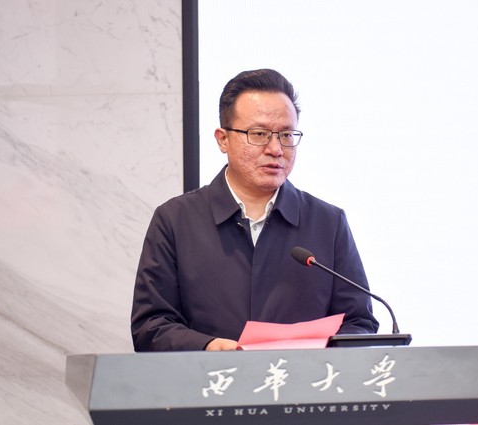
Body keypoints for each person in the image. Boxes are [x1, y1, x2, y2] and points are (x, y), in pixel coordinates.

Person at [131, 68, 379, 351]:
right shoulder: (175, 221)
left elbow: (359, 322)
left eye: (286, 135)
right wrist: (207, 347)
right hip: (209, 377)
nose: (276, 149)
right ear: (223, 139)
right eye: (259, 134)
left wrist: (315, 356)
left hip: (302, 379)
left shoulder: (328, 223)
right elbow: (150, 327)